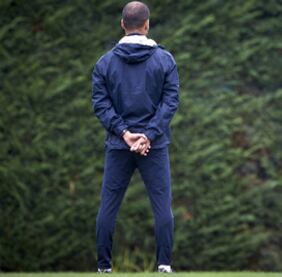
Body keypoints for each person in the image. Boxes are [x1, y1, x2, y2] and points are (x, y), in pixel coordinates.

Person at [91, 1, 179, 273]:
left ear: (122, 25)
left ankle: (104, 268)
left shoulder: (104, 63)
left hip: (119, 145)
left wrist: (126, 134)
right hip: (155, 146)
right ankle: (164, 266)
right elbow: (171, 101)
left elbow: (101, 104)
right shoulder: (165, 60)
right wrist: (149, 135)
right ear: (147, 24)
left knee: (108, 207)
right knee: (162, 207)